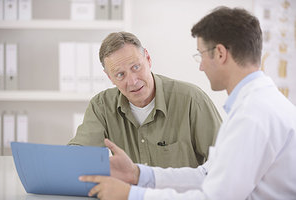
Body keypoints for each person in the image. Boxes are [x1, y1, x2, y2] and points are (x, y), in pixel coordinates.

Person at [78, 6, 296, 200]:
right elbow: (207, 175)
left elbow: (214, 196)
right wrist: (139, 174)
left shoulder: (253, 115)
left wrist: (133, 194)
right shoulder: (259, 105)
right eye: (120, 74)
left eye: (201, 55)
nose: (200, 66)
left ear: (220, 53)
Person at [68, 32, 222, 168]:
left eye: (136, 67)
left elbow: (225, 162)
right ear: (110, 77)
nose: (133, 81)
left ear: (148, 59)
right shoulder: (102, 106)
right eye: (120, 75)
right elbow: (78, 156)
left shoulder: (191, 100)